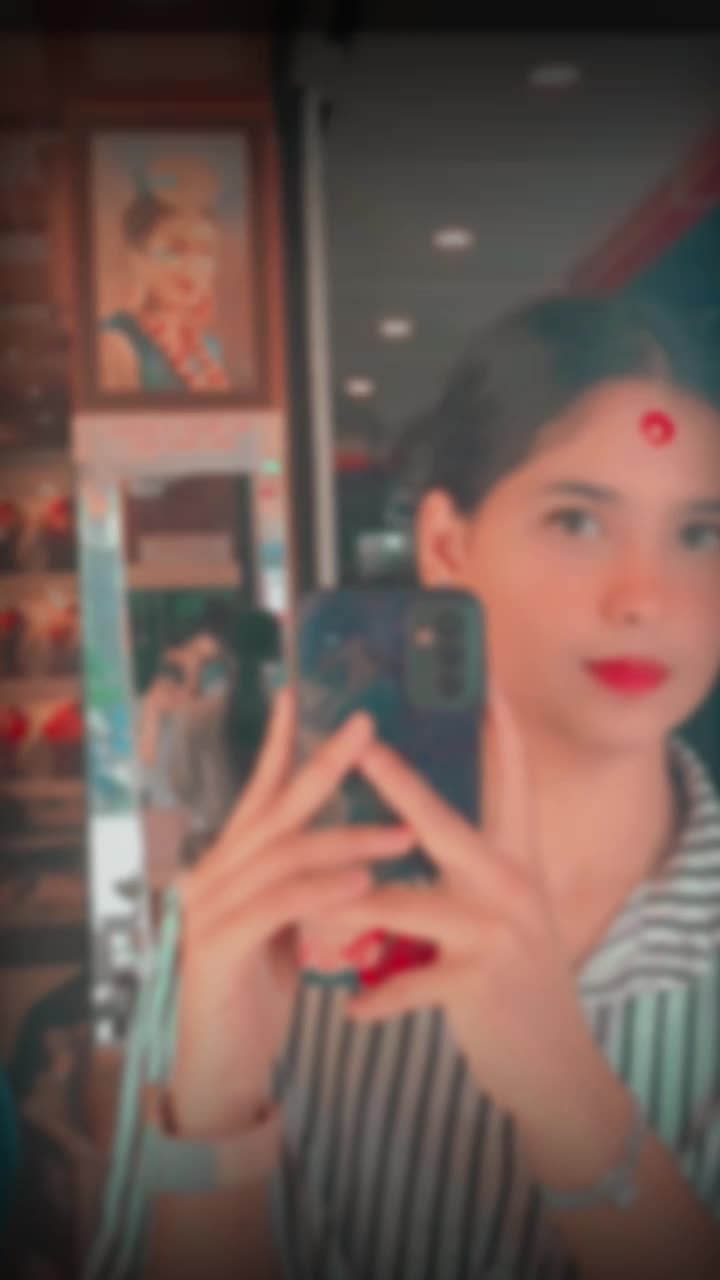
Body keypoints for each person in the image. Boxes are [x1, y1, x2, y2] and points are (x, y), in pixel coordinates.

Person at [87, 294, 720, 1280]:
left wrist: (575, 1105)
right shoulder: (259, 912)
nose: (646, 595)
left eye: (701, 532)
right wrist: (215, 1120)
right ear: (448, 546)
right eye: (578, 520)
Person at [98, 155, 229, 394]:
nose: (192, 268)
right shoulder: (115, 342)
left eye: (204, 253)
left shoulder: (210, 348)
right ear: (138, 257)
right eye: (175, 250)